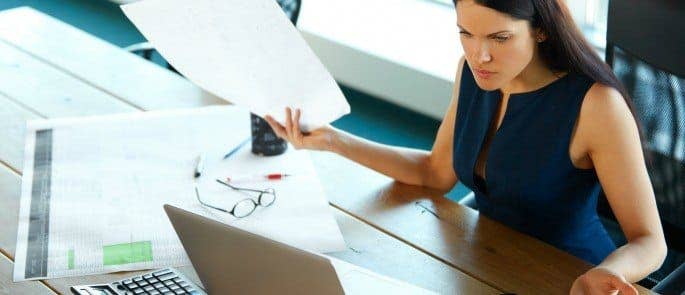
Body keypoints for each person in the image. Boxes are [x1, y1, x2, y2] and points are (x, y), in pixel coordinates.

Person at [264, 0, 667, 293]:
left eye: (500, 37)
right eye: (465, 33)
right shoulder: (475, 74)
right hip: (485, 260)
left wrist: (606, 274)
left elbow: (650, 241)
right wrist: (334, 140)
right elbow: (434, 173)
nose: (480, 54)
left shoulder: (596, 105)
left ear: (540, 29)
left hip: (568, 275)